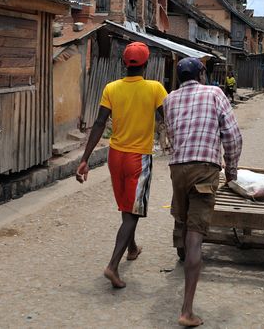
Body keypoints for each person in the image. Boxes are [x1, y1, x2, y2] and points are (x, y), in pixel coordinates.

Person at [75, 42, 167, 288]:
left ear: (124, 63)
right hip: (139, 158)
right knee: (132, 213)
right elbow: (169, 117)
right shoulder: (155, 88)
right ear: (146, 64)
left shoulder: (111, 88)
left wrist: (85, 159)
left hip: (115, 157)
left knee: (128, 208)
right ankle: (113, 266)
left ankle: (133, 248)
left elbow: (99, 123)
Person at [164, 57, 242, 327]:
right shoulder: (215, 93)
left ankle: (187, 260)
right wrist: (231, 170)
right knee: (196, 237)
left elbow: (171, 136)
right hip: (204, 169)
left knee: (186, 225)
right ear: (201, 74)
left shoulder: (169, 98)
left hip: (178, 168)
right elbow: (232, 136)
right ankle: (187, 310)